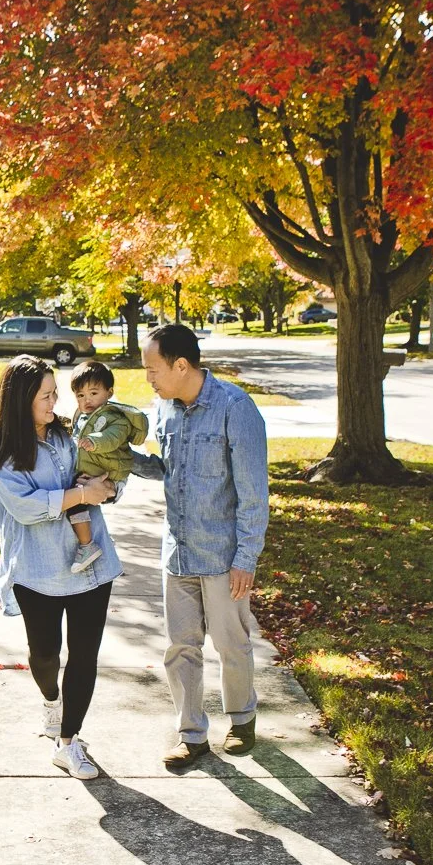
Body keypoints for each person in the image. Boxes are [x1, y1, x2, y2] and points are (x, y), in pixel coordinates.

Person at [133, 324, 269, 772]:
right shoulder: (165, 410)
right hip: (179, 551)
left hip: (223, 554)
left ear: (181, 365)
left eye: (153, 368)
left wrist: (245, 558)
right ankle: (191, 735)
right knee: (181, 647)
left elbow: (253, 494)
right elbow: (166, 470)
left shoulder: (235, 408)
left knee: (232, 643)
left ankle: (242, 718)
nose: (148, 377)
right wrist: (121, 459)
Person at [0, 355, 122, 780]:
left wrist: (108, 488)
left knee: (84, 656)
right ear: (21, 399)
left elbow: (103, 471)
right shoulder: (3, 458)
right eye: (45, 395)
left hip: (90, 563)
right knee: (44, 657)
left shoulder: (68, 434)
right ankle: (50, 701)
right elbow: (28, 509)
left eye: (54, 393)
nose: (54, 401)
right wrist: (81, 496)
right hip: (38, 570)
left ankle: (68, 741)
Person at [64, 361, 149, 573]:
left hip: (110, 476)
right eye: (80, 395)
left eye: (93, 393)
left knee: (75, 502)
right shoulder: (84, 417)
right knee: (76, 501)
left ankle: (88, 546)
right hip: (95, 472)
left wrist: (94, 441)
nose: (87, 400)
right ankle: (98, 539)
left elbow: (112, 437)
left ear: (109, 392)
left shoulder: (115, 417)